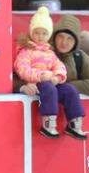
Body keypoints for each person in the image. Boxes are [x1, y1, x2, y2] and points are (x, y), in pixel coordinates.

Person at [14, 7, 82, 138]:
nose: (40, 37)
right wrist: (40, 76)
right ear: (31, 33)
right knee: (49, 88)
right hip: (37, 83)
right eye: (37, 33)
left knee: (69, 89)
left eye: (44, 33)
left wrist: (57, 77)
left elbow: (59, 66)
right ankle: (49, 122)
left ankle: (75, 122)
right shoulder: (26, 51)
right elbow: (22, 68)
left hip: (50, 82)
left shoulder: (50, 52)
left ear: (48, 35)